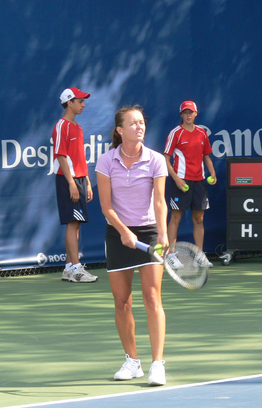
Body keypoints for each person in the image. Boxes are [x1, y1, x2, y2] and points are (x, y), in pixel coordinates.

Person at [95, 105, 169, 386]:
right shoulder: (106, 161)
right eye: (133, 123)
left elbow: (160, 201)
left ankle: (157, 364)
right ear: (120, 130)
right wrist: (124, 231)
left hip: (150, 233)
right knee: (122, 302)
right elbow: (106, 205)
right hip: (117, 235)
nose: (139, 127)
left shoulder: (156, 160)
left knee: (152, 298)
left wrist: (162, 234)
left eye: (142, 123)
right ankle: (132, 362)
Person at [52, 87, 98, 283]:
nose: (83, 104)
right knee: (72, 224)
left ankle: (70, 267)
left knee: (75, 224)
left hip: (79, 179)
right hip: (67, 180)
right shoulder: (61, 126)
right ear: (69, 103)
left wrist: (86, 181)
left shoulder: (77, 127)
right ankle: (76, 269)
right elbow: (61, 156)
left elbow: (79, 157)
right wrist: (71, 183)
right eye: (80, 101)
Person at [164, 100, 216, 269]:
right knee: (176, 217)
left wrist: (212, 172)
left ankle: (199, 256)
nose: (188, 115)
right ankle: (170, 255)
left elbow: (206, 155)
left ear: (195, 114)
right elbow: (166, 158)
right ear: (181, 115)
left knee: (199, 219)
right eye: (185, 112)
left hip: (200, 181)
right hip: (181, 181)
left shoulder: (202, 133)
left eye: (191, 112)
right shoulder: (175, 133)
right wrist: (176, 179)